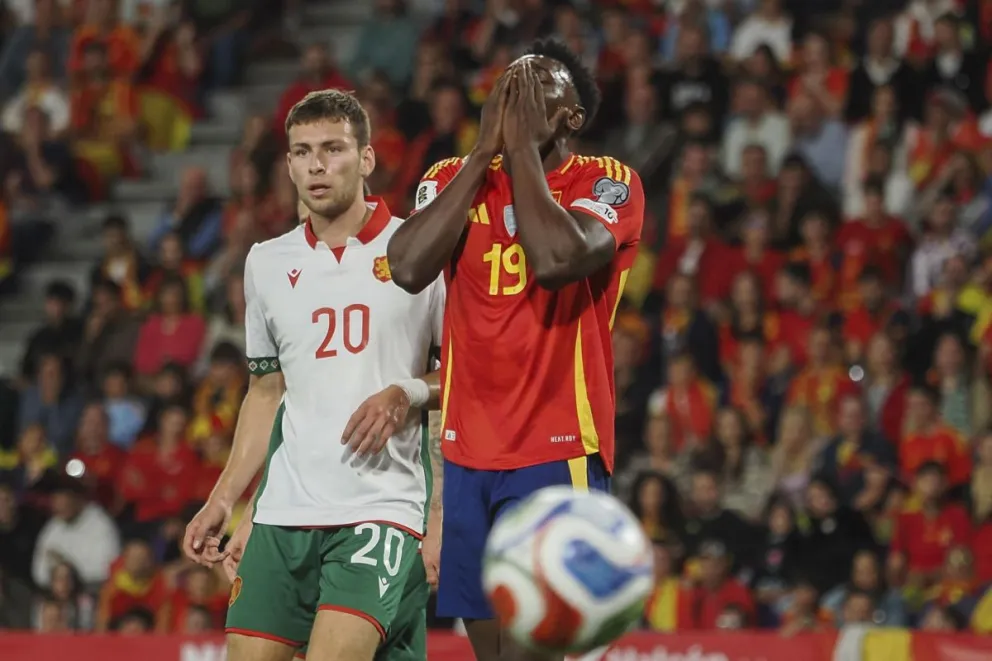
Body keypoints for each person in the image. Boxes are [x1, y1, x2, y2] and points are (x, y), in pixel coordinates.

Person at [387, 38, 645, 661]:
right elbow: (406, 265)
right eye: (508, 89)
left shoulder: (608, 181)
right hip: (469, 451)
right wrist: (482, 153)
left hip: (559, 447)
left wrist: (523, 151)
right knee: (493, 653)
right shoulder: (450, 178)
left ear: (571, 117)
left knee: (547, 647)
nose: (516, 98)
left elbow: (559, 260)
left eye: (536, 91)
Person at [181, 89, 445, 661]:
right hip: (284, 515)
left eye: (333, 149)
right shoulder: (265, 263)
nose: (317, 165)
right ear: (288, 164)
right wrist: (226, 500)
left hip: (381, 508)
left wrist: (409, 393)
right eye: (302, 152)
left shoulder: (420, 251)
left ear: (367, 159)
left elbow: (466, 378)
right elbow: (266, 391)